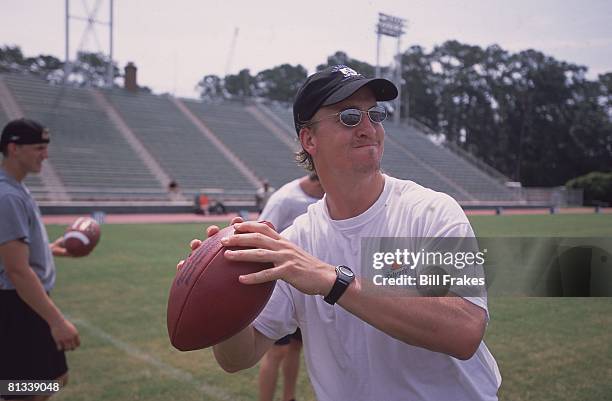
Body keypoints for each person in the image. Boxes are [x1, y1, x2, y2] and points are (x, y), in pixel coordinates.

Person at [180, 65, 501, 400]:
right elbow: (240, 357)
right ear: (309, 139)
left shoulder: (430, 212)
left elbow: (465, 329)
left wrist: (334, 281)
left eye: (375, 115)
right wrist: (217, 296)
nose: (368, 128)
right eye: (349, 117)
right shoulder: (297, 241)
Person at [0, 118, 80, 400]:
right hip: (17, 304)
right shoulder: (7, 195)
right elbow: (17, 270)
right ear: (14, 148)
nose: (45, 154)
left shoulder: (15, 188)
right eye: (38, 147)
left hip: (22, 302)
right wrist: (57, 321)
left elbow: (13, 249)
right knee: (23, 388)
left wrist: (50, 249)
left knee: (53, 379)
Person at [257, 173, 324, 401]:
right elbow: (259, 234)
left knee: (295, 348)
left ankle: (289, 397)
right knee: (277, 351)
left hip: (311, 287)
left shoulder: (331, 198)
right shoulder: (284, 199)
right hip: (281, 288)